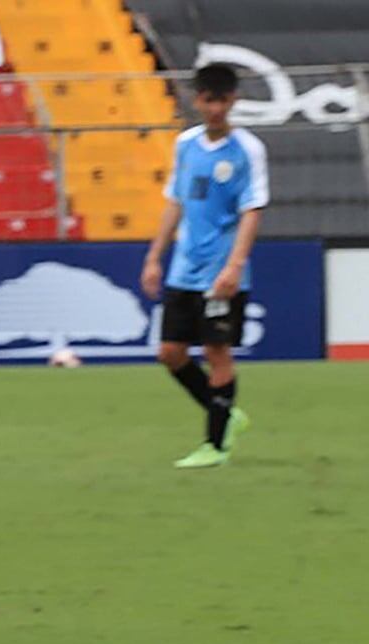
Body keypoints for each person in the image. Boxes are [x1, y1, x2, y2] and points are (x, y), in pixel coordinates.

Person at [141, 62, 268, 470]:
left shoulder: (248, 150)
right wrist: (153, 257)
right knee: (170, 352)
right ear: (197, 100)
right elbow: (175, 201)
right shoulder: (185, 145)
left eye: (223, 100)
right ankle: (225, 414)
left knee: (217, 351)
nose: (215, 108)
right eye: (208, 99)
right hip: (183, 268)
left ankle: (216, 445)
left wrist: (234, 266)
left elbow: (252, 210)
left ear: (234, 101)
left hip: (220, 272)